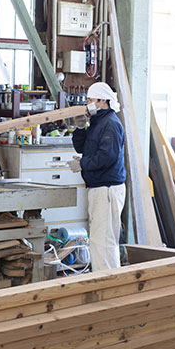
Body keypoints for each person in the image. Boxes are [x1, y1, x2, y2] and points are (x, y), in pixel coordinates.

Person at [67, 82, 126, 271]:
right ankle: (104, 280)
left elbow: (107, 157)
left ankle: (108, 284)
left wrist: (82, 164)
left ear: (102, 101)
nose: (88, 103)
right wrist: (80, 128)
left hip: (107, 190)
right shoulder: (97, 123)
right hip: (98, 188)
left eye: (91, 100)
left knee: (104, 241)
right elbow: (81, 148)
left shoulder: (111, 124)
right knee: (99, 240)